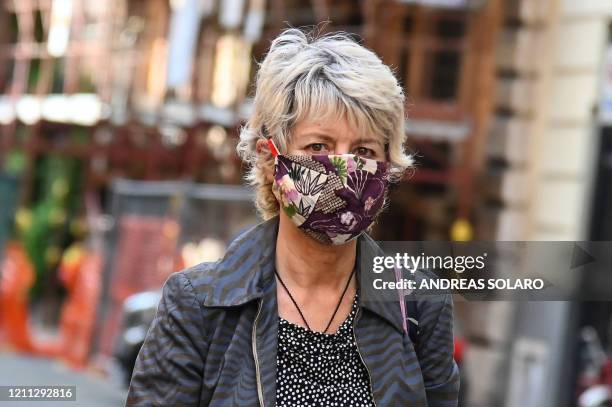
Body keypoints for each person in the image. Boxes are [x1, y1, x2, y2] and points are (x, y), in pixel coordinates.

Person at [126, 27, 459, 406]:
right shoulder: (199, 305)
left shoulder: (418, 305)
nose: (344, 168)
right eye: (319, 145)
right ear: (271, 158)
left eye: (364, 150)